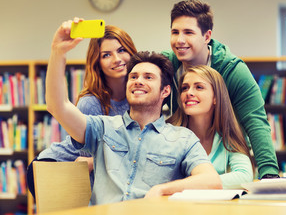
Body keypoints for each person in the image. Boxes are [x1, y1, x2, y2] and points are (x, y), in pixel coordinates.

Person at [45, 18, 222, 204]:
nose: (138, 81)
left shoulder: (183, 139)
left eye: (148, 77)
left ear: (165, 91)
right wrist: (58, 52)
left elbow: (211, 181)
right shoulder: (102, 128)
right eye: (134, 76)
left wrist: (162, 190)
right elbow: (57, 106)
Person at [162, 0, 279, 179]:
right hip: (183, 151)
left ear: (207, 36)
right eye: (175, 32)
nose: (180, 40)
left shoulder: (233, 70)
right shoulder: (166, 65)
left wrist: (270, 175)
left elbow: (256, 122)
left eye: (188, 32)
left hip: (223, 154)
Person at [26, 24, 137, 198]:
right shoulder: (91, 103)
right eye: (106, 55)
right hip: (57, 166)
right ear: (97, 63)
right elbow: (87, 163)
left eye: (122, 50)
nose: (116, 59)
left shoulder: (139, 97)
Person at [167, 65, 254, 189]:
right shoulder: (168, 134)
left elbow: (244, 176)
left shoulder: (228, 136)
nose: (189, 93)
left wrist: (191, 184)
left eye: (199, 87)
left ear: (215, 98)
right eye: (184, 88)